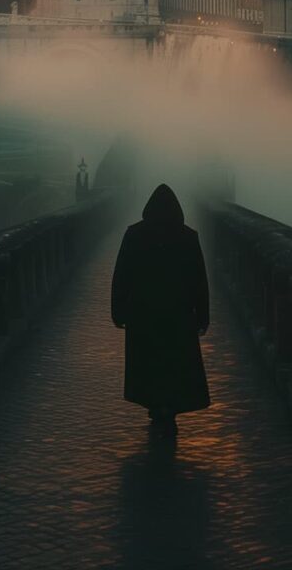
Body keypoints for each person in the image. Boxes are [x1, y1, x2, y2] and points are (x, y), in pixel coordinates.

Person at [111, 184, 211, 434]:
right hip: (178, 313)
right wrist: (202, 315)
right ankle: (171, 406)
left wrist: (118, 310)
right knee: (174, 361)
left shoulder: (134, 234)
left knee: (148, 361)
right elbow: (199, 280)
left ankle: (155, 405)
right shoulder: (188, 236)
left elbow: (121, 275)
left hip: (143, 313)